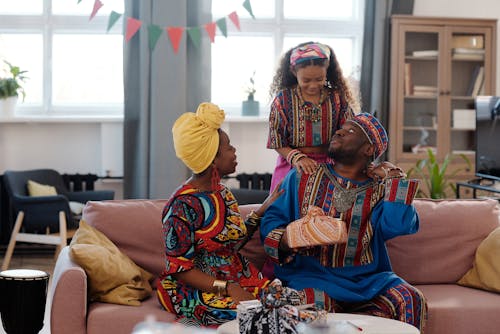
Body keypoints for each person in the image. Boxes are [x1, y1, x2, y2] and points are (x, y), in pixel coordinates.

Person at [260, 113, 427, 331]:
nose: (338, 132)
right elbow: (271, 220)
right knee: (313, 303)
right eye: (340, 129)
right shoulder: (302, 176)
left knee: (410, 299)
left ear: (368, 150)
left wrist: (393, 178)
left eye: (350, 131)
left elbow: (398, 225)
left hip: (369, 281)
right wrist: (292, 236)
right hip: (311, 277)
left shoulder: (379, 189)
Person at [156, 102, 291, 328]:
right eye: (228, 147)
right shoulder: (181, 206)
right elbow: (181, 271)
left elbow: (233, 244)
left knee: (288, 304)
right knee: (254, 316)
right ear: (212, 159)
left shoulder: (223, 193)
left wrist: (263, 209)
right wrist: (227, 288)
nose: (234, 150)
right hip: (194, 290)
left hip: (236, 277)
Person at [267, 41, 359, 192]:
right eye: (306, 80)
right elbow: (277, 140)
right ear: (293, 72)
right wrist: (298, 158)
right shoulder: (283, 100)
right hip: (292, 165)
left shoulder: (336, 99)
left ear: (327, 70)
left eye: (319, 79)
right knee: (284, 208)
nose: (313, 85)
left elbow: (350, 131)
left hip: (331, 165)